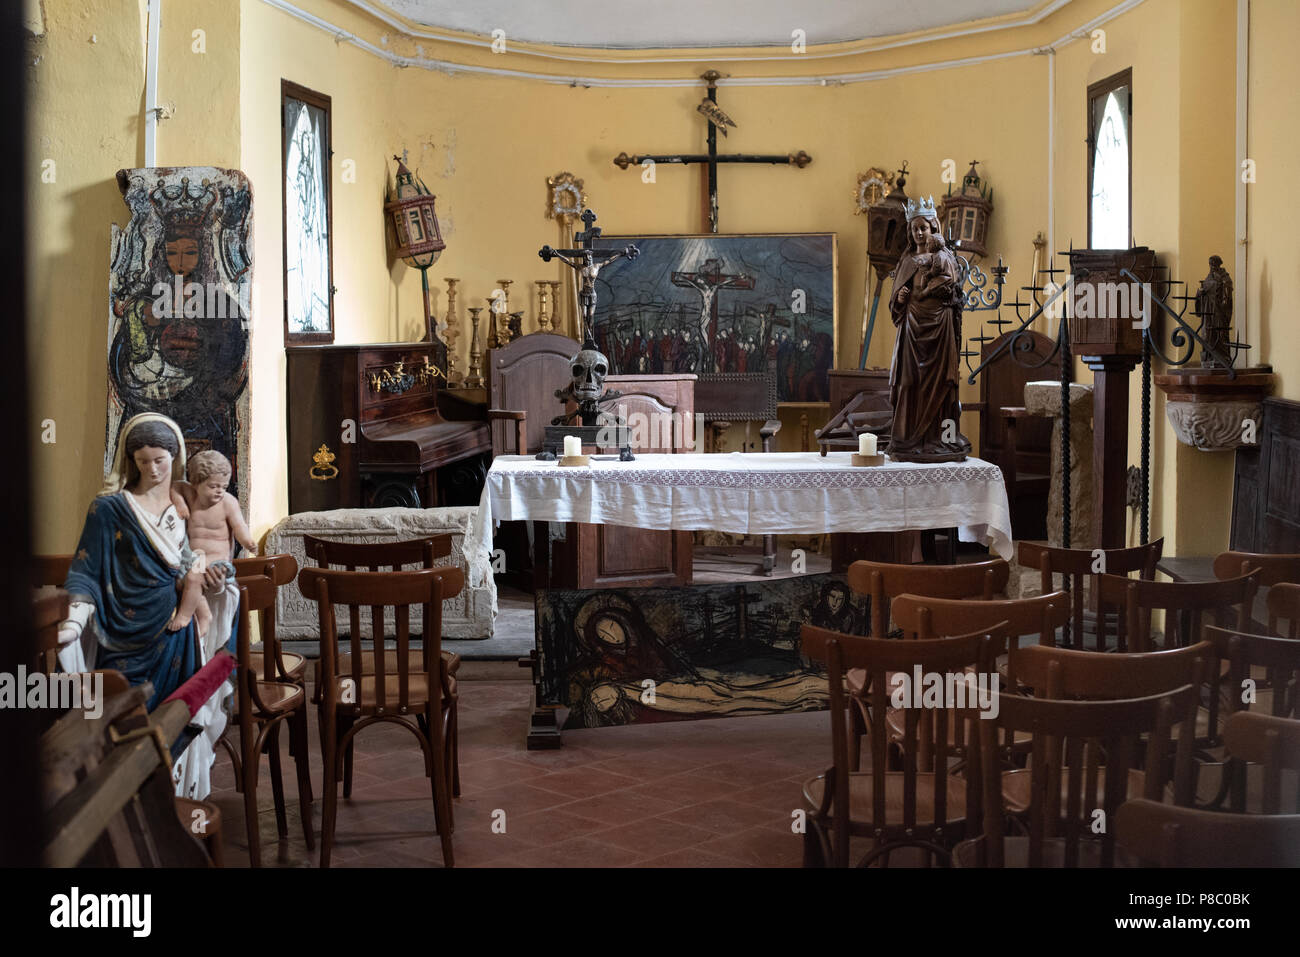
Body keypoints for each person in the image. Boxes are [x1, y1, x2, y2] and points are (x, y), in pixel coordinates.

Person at [56, 413, 238, 798]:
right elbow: (86, 569)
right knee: (121, 722)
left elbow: (190, 560)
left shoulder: (181, 510)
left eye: (161, 460)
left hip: (176, 632)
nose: (153, 469)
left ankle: (169, 807)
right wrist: (74, 618)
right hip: (122, 632)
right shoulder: (108, 509)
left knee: (173, 719)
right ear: (131, 461)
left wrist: (217, 579)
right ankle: (121, 807)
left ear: (176, 458)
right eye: (143, 461)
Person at [887, 199, 972, 461]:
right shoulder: (906, 260)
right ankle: (907, 440)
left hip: (940, 326)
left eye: (923, 227)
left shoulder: (946, 257)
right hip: (912, 326)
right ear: (910, 233)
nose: (919, 233)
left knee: (940, 384)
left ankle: (939, 439)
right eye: (914, 229)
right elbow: (895, 303)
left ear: (933, 226)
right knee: (909, 382)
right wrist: (900, 298)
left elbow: (955, 293)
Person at [171, 449, 258, 641]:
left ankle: (187, 616)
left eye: (224, 486)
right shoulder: (191, 496)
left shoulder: (228, 503)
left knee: (193, 578)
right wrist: (180, 504)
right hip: (196, 558)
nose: (220, 491)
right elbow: (175, 487)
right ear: (195, 484)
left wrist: (248, 542)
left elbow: (239, 525)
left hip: (217, 562)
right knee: (183, 581)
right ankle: (205, 614)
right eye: (213, 486)